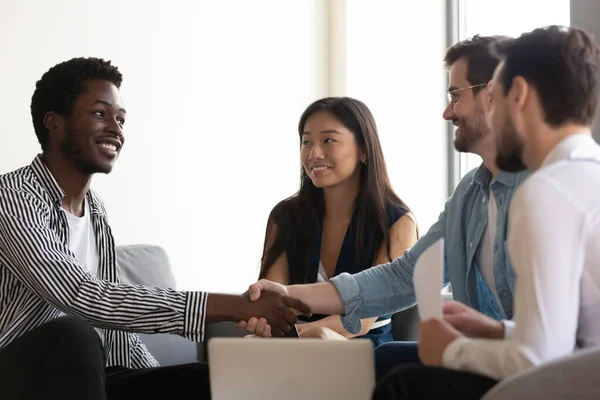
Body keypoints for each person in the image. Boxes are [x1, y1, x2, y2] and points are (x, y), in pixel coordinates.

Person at [0, 57, 310, 400]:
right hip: (20, 374)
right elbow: (84, 296)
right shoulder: (14, 198)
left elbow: (116, 329)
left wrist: (161, 380)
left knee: (210, 381)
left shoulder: (96, 212)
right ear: (54, 123)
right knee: (74, 334)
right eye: (100, 114)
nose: (116, 130)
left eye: (120, 119)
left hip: (83, 377)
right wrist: (235, 305)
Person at [240, 34, 529, 380]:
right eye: (306, 142)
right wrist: (287, 295)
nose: (446, 111)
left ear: (497, 95)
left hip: (529, 369)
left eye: (455, 96)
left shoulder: (545, 189)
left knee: (389, 373)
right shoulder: (469, 194)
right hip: (487, 360)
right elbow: (403, 276)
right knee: (390, 362)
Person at [374, 25, 600, 399]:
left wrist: (450, 350)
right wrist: (498, 331)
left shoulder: (546, 190)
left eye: (497, 96)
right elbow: (571, 339)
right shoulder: (587, 173)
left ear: (519, 95)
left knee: (403, 386)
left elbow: (537, 362)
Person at [258, 97, 418, 345]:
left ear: (364, 149)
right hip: (291, 351)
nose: (314, 153)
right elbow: (272, 303)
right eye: (306, 142)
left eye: (328, 140)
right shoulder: (286, 216)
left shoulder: (396, 221)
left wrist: (296, 337)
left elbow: (362, 318)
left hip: (365, 350)